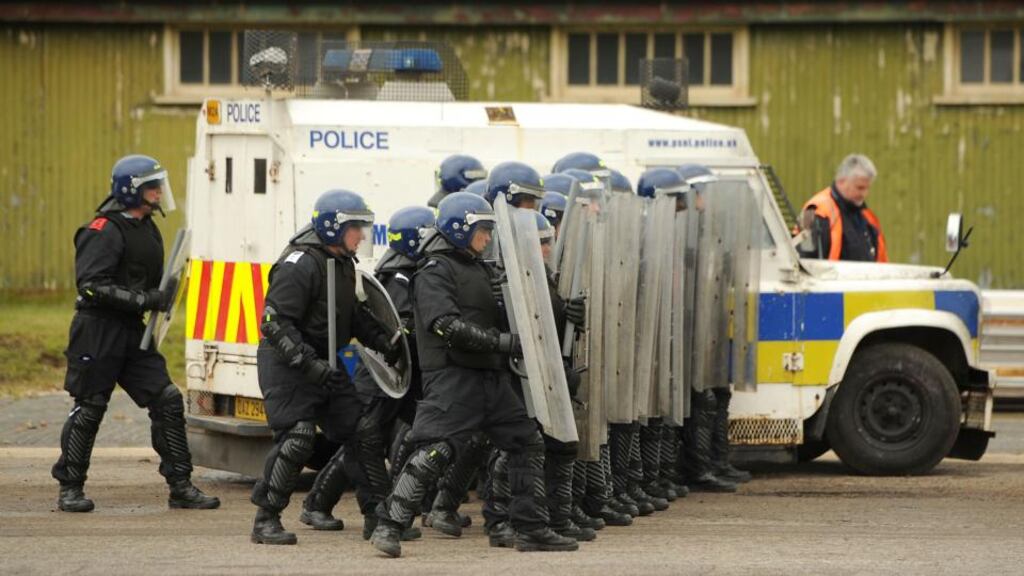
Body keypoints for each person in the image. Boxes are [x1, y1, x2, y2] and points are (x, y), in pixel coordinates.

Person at [369, 192, 578, 557]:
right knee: (435, 451)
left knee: (526, 442)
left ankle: (529, 528)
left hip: (491, 379)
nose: (486, 239)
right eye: (482, 231)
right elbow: (444, 325)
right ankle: (389, 526)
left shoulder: (481, 268)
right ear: (459, 229)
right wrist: (502, 342)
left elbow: (507, 313)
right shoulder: (433, 271)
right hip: (453, 379)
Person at [52, 154, 219, 514]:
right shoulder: (103, 230)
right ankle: (70, 488)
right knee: (90, 408)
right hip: (97, 333)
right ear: (134, 191)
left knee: (168, 400)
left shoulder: (147, 228)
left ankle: (181, 486)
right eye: (153, 186)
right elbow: (92, 286)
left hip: (132, 332)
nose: (160, 192)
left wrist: (162, 297)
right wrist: (145, 299)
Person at [250, 189, 402, 545]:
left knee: (362, 431)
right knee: (298, 437)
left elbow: (353, 316)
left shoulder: (344, 264)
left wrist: (386, 344)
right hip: (289, 366)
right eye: (356, 228)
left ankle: (378, 519)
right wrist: (309, 365)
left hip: (327, 364)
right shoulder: (300, 263)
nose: (362, 236)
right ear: (334, 227)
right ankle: (266, 519)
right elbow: (274, 324)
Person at [305, 206, 435, 542]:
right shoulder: (398, 280)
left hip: (389, 376)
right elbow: (393, 330)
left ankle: (335, 504)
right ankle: (321, 504)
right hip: (377, 377)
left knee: (368, 442)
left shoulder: (407, 273)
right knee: (363, 444)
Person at [676, 163, 748, 492]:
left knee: (718, 393)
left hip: (709, 326)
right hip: (688, 328)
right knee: (699, 399)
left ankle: (717, 461)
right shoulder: (679, 232)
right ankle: (697, 467)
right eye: (702, 194)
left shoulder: (709, 230)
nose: (706, 201)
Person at [800, 154, 888, 262]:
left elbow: (882, 263)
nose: (865, 194)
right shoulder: (815, 210)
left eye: (867, 188)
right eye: (860, 188)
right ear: (841, 181)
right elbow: (804, 258)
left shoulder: (869, 219)